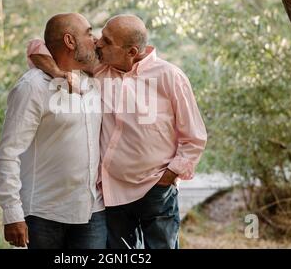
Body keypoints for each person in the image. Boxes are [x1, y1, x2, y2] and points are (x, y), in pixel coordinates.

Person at [27, 14, 207, 249]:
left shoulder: (170, 77)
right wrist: (60, 74)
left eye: (107, 41)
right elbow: (36, 47)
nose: (98, 43)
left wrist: (169, 176)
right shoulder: (98, 68)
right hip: (112, 195)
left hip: (156, 190)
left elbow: (194, 137)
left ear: (131, 52)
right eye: (101, 35)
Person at [0, 13, 106, 249]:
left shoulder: (95, 80)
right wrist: (12, 213)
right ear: (69, 41)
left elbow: (35, 47)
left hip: (92, 212)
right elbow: (8, 154)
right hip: (43, 215)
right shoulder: (32, 87)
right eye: (88, 33)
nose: (95, 39)